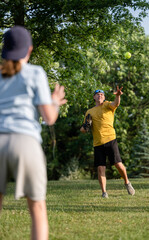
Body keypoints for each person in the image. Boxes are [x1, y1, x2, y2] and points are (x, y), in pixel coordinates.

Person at [0, 26, 67, 240]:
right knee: (37, 208)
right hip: (25, 142)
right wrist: (55, 102)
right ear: (29, 49)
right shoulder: (35, 72)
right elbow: (49, 118)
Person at [80, 87, 135, 198]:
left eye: (101, 94)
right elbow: (83, 129)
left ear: (104, 97)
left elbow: (116, 103)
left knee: (118, 164)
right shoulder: (89, 112)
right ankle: (104, 192)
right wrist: (86, 126)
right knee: (101, 168)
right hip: (97, 143)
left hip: (110, 139)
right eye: (97, 94)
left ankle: (127, 182)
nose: (99, 96)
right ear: (94, 97)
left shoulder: (108, 105)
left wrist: (118, 95)